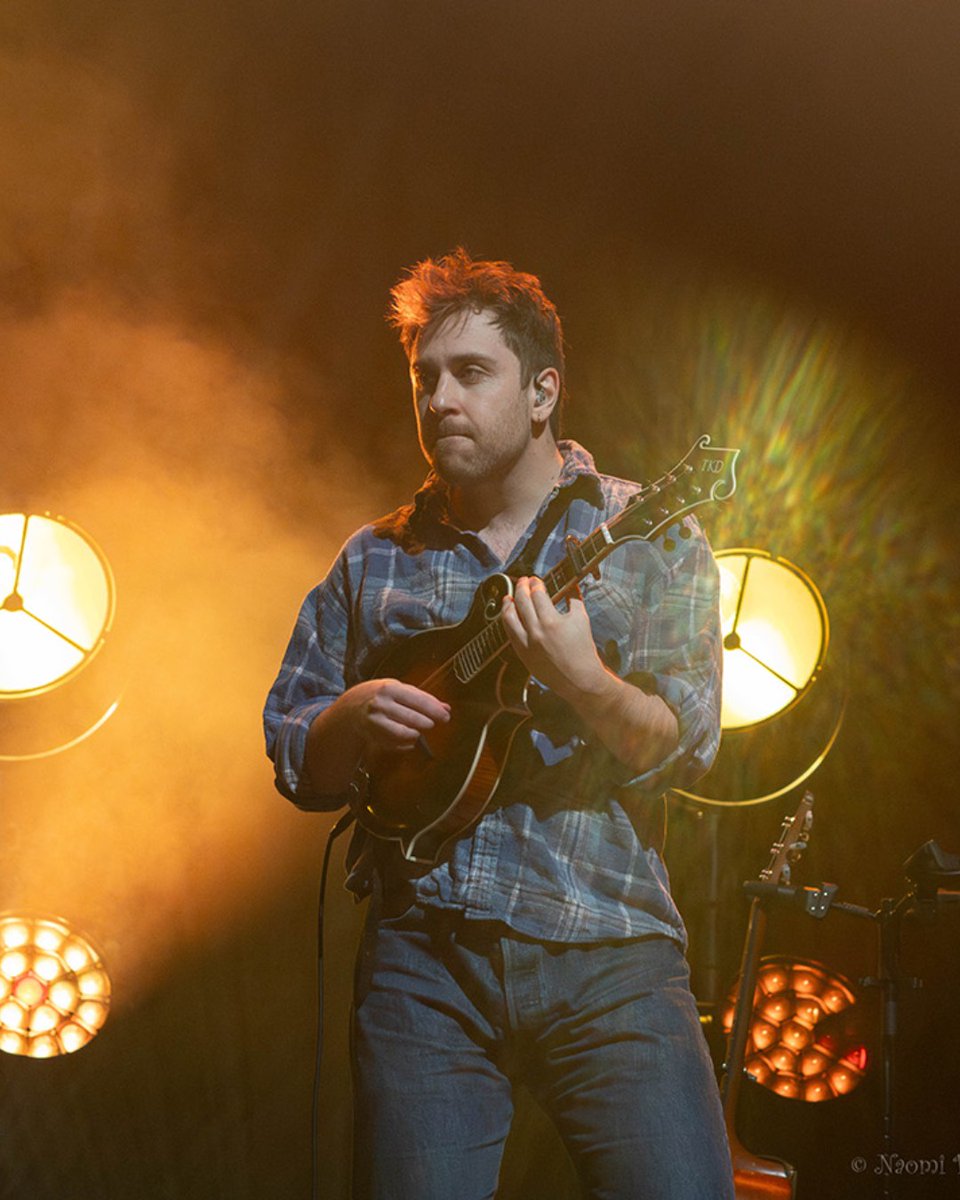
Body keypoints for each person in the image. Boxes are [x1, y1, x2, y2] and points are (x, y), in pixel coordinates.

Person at [263, 249, 734, 1200]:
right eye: (425, 378)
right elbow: (293, 746)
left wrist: (584, 680)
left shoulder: (654, 539)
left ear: (543, 391)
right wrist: (350, 718)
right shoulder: (375, 558)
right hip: (422, 961)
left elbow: (688, 749)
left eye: (472, 373)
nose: (440, 400)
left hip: (610, 949)